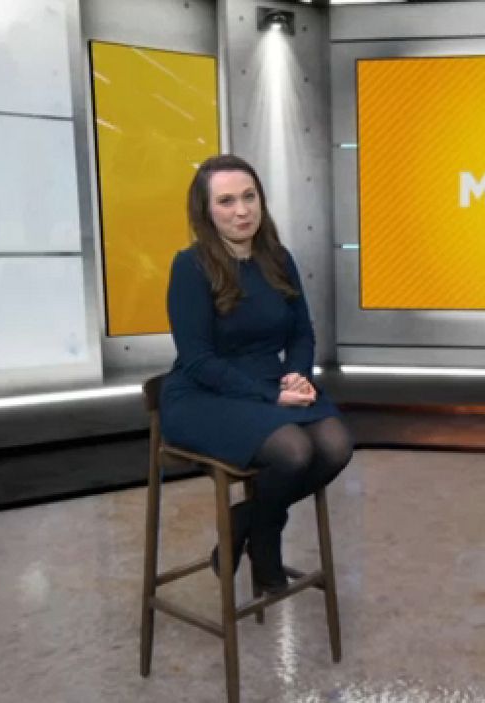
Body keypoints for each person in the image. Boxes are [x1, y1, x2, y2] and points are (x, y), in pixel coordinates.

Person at [160, 154, 352, 592]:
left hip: (270, 381)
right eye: (226, 201)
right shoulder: (190, 266)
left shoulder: (278, 259)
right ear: (206, 211)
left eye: (249, 197)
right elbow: (198, 359)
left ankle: (247, 520)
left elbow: (301, 333)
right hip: (204, 394)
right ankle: (266, 542)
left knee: (336, 444)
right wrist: (271, 397)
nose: (242, 210)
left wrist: (298, 374)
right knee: (293, 450)